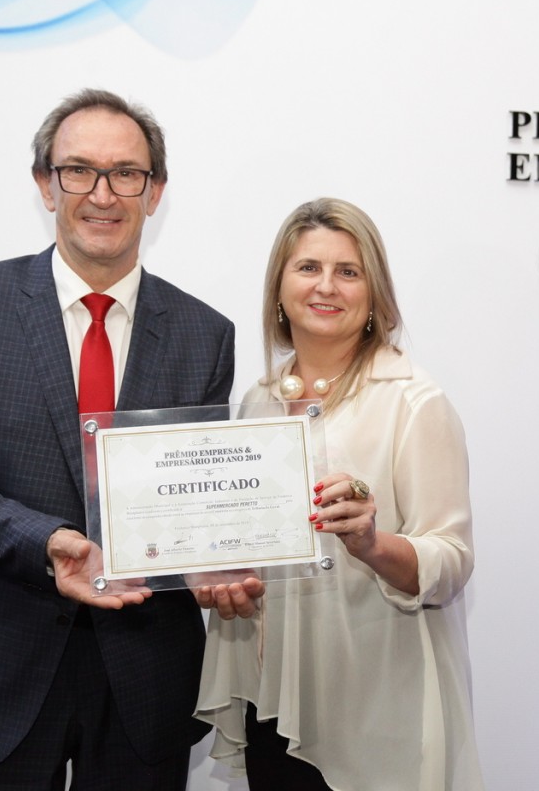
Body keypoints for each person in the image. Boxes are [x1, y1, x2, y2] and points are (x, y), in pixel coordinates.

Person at [0, 88, 238, 789]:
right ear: (45, 185)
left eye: (126, 173)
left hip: (146, 672)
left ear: (156, 191)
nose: (102, 194)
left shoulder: (206, 334)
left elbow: (195, 502)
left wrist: (225, 556)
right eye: (79, 170)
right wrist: (51, 543)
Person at [194, 198, 485, 789]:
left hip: (376, 709)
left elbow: (451, 563)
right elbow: (252, 548)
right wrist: (224, 574)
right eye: (308, 267)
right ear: (279, 287)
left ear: (374, 293)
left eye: (348, 272)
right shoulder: (259, 400)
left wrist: (372, 544)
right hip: (271, 700)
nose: (326, 286)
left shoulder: (413, 402)